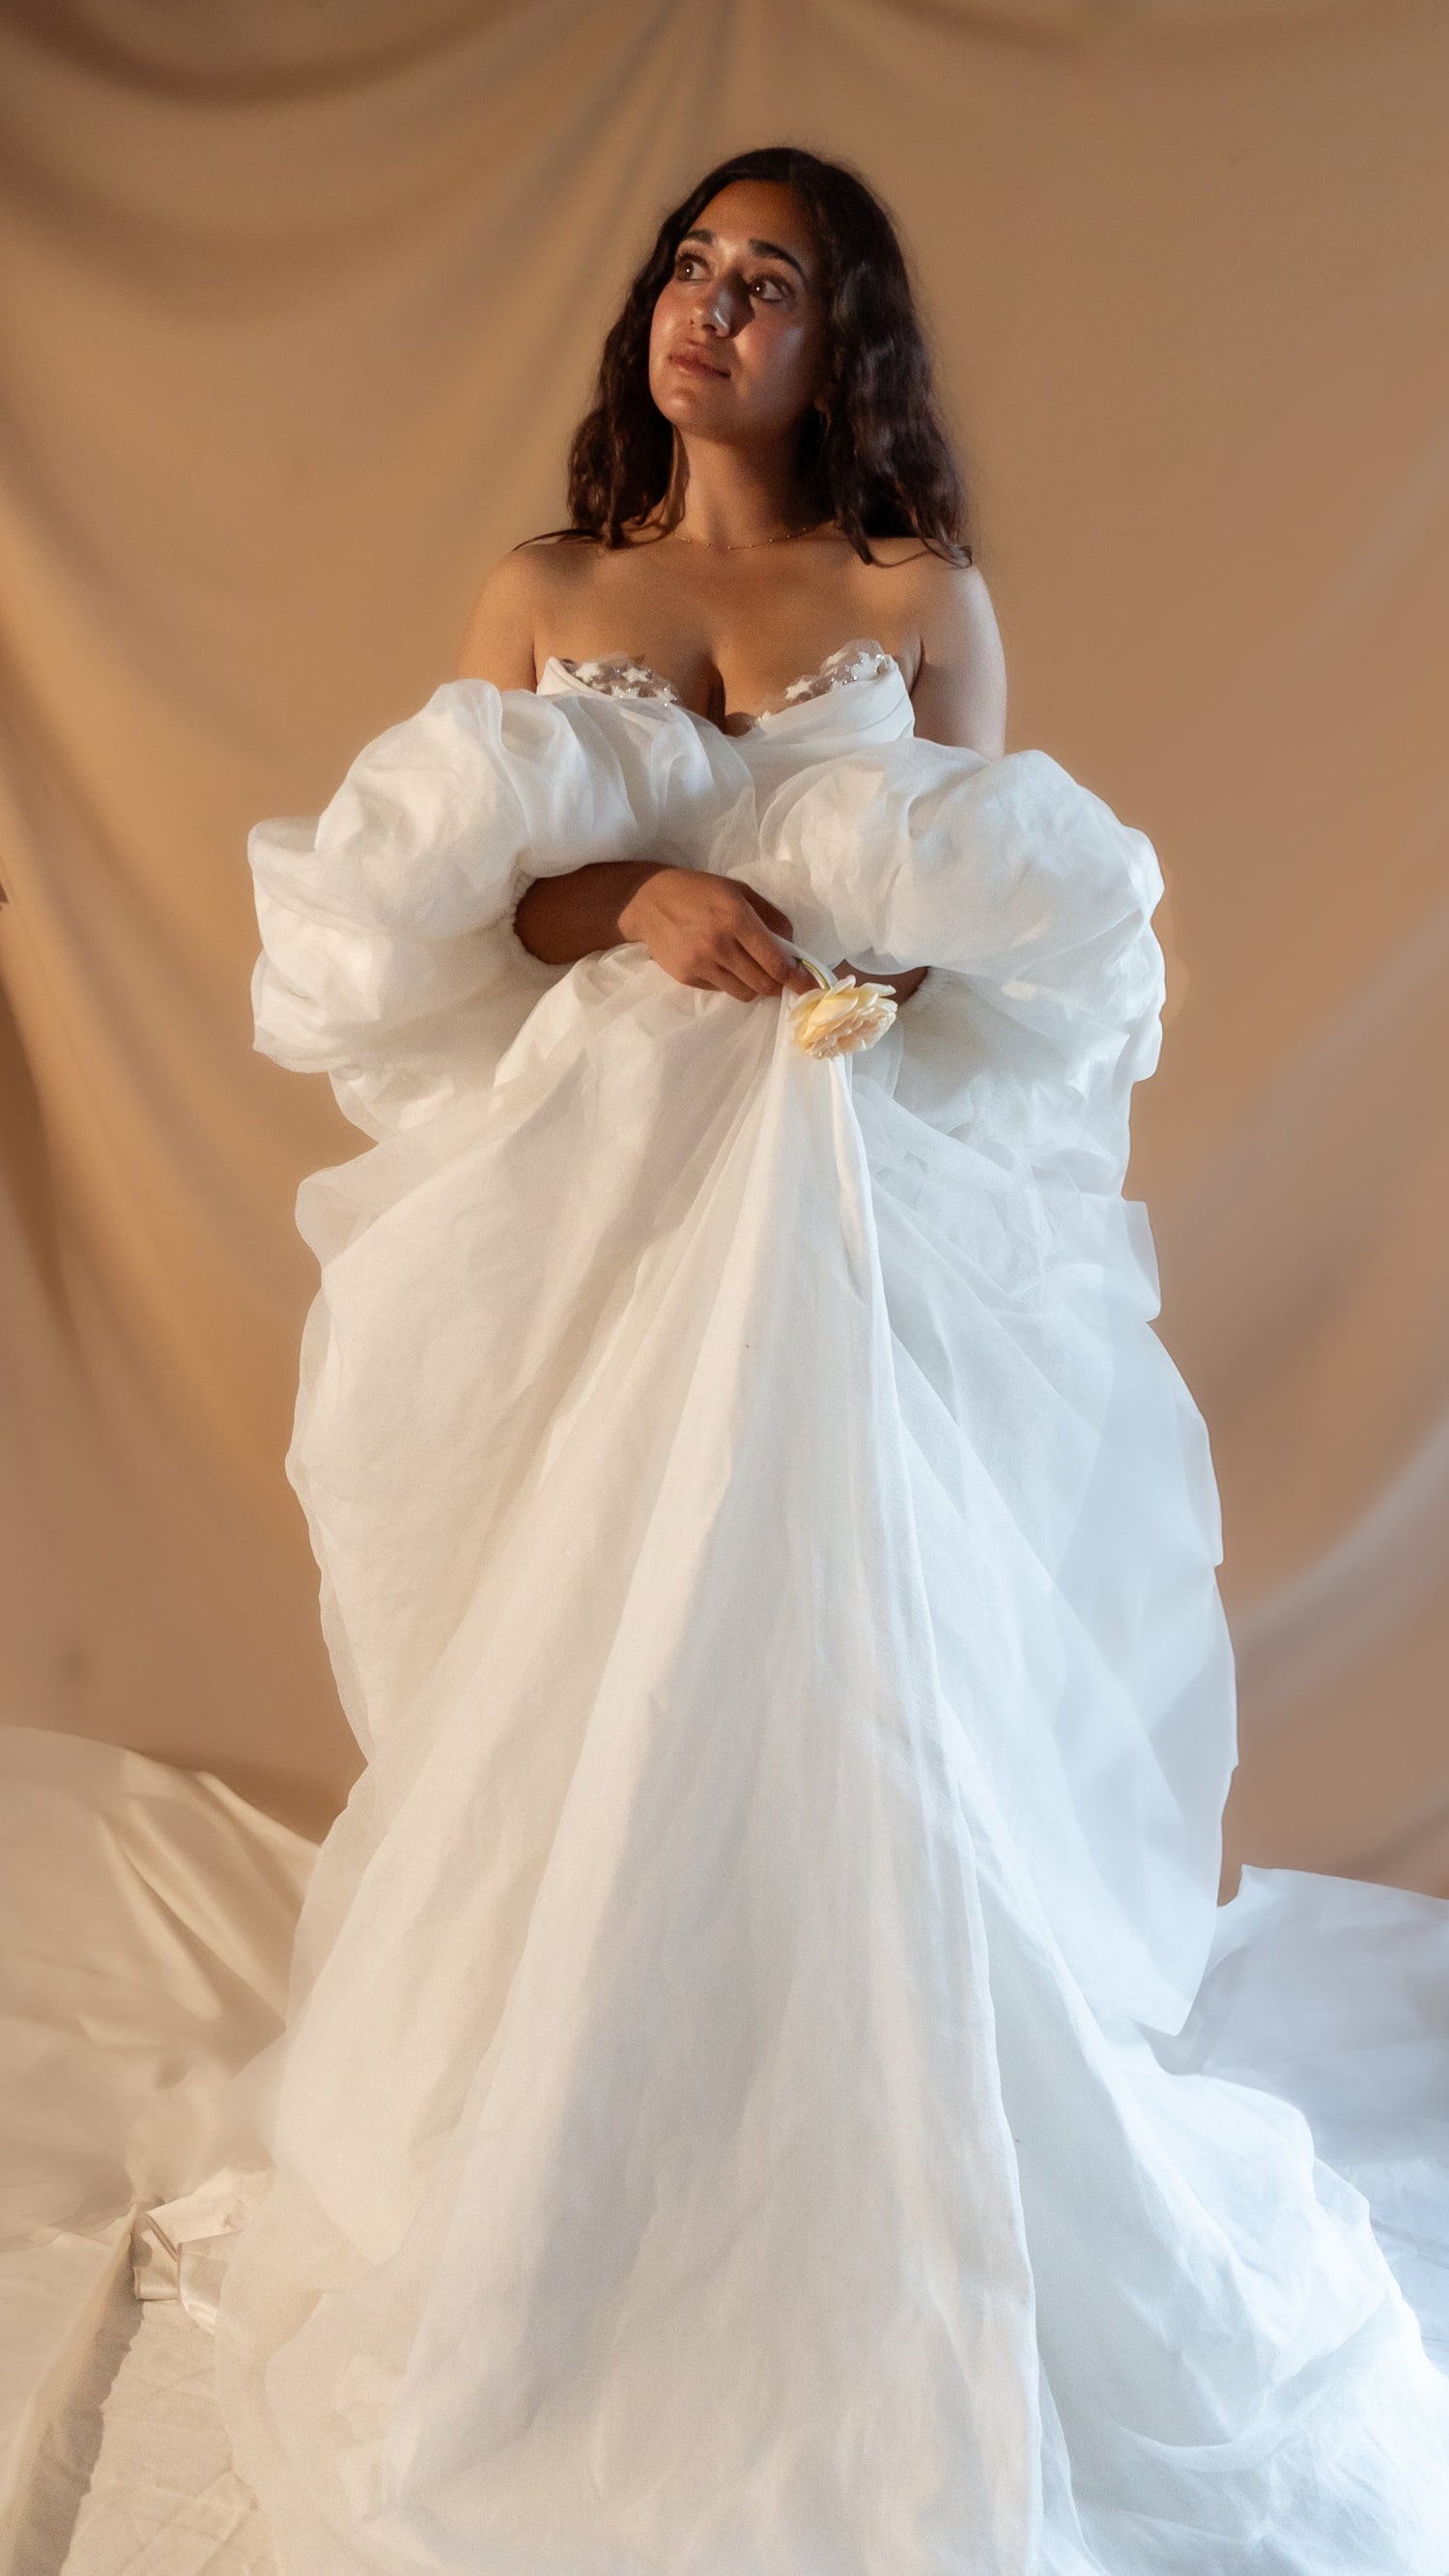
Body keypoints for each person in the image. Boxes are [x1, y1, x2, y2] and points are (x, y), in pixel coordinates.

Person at [194, 146, 1449, 2576]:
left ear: (839, 336)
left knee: (848, 1670)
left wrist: (853, 923)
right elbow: (426, 902)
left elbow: (1015, 939)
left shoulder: (918, 602)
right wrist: (629, 891)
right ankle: (573, 2175)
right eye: (690, 263)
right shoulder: (549, 591)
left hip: (838, 1203)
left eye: (768, 280)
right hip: (597, 1210)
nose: (713, 305)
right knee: (600, 1657)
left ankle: (886, 2182)